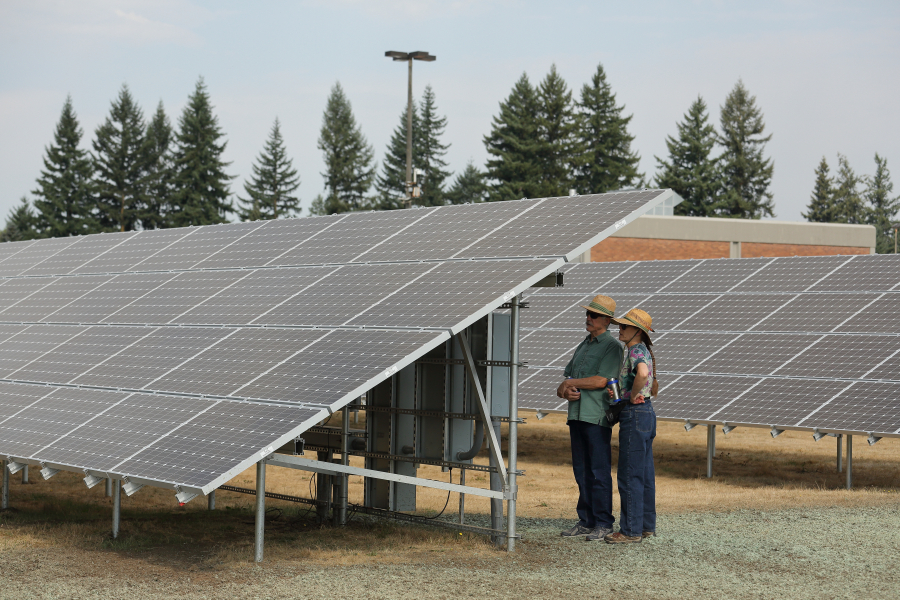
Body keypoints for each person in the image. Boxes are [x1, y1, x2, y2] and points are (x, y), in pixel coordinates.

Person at [556, 295, 623, 541]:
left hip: (596, 417)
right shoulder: (583, 345)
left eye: (593, 315)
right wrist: (563, 388)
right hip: (576, 415)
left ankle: (604, 523)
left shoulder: (612, 347)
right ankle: (586, 520)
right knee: (581, 470)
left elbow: (601, 380)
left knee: (598, 470)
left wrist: (570, 383)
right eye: (587, 314)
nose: (588, 318)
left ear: (606, 320)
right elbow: (564, 382)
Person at [606, 308, 657, 544]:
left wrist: (633, 394)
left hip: (635, 414)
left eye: (624, 326)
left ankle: (630, 531)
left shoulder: (635, 350)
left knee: (629, 475)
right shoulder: (643, 350)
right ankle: (645, 526)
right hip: (646, 413)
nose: (620, 329)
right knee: (644, 474)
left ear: (637, 330)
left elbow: (643, 374)